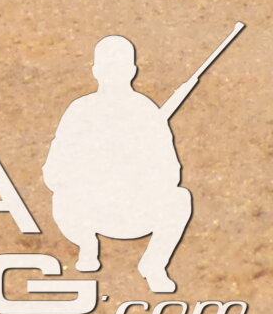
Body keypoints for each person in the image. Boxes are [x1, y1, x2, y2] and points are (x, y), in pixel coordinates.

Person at [45, 35, 202, 295]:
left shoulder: (146, 111)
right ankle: (87, 245)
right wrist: (90, 171)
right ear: (95, 70)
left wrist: (135, 169)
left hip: (134, 211)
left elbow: (171, 173)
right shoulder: (79, 110)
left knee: (179, 199)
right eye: (108, 67)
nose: (112, 73)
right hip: (87, 210)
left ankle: (154, 265)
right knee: (62, 196)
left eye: (117, 68)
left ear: (132, 71)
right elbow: (53, 171)